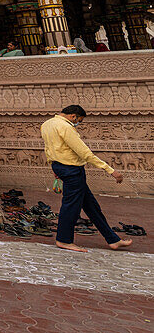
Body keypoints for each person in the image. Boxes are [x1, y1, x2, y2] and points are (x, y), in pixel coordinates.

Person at [41, 104, 131, 252]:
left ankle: (113, 240)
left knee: (91, 206)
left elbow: (49, 148)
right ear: (73, 116)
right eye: (79, 120)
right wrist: (110, 170)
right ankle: (64, 240)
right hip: (72, 170)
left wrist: (54, 167)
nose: (78, 123)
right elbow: (84, 153)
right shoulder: (66, 127)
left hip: (60, 167)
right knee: (71, 206)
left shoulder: (47, 124)